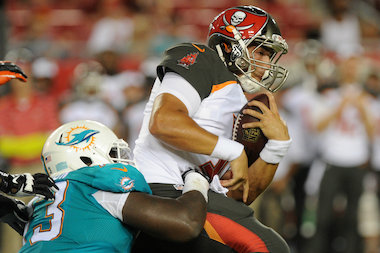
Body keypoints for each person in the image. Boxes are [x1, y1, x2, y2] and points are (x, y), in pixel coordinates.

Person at [132, 5, 292, 253]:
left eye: (269, 56)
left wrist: (278, 146)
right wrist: (234, 151)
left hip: (197, 196)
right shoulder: (202, 59)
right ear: (229, 45)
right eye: (259, 51)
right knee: (268, 247)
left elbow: (240, 196)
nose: (265, 63)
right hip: (162, 190)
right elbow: (163, 121)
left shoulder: (239, 103)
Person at [0, 120, 209, 252]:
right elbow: (186, 222)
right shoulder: (96, 188)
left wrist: (5, 183)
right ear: (85, 159)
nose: (119, 161)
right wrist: (196, 179)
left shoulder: (37, 204)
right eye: (113, 154)